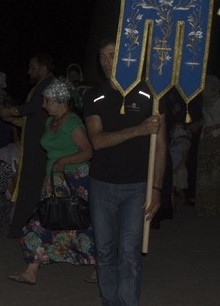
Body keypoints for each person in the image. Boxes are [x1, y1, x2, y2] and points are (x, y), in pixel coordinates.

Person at [82, 37, 167, 305]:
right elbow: (97, 140)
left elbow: (161, 147)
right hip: (102, 183)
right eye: (103, 57)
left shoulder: (152, 95)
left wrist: (156, 189)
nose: (107, 62)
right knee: (105, 250)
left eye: (112, 55)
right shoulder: (93, 96)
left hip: (137, 185)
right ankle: (110, 300)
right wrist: (139, 130)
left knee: (129, 252)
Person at [8, 78, 95, 285]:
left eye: (47, 100)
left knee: (80, 224)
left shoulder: (73, 122)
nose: (43, 105)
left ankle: (101, 266)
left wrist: (64, 160)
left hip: (74, 182)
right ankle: (31, 270)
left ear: (59, 100)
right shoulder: (50, 122)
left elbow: (87, 152)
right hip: (54, 183)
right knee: (41, 224)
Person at [1, 53, 55, 238]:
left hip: (41, 148)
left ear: (43, 67)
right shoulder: (42, 85)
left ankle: (23, 230)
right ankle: (22, 229)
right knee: (28, 187)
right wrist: (13, 118)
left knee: (31, 188)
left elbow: (33, 107)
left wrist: (11, 110)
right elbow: (31, 120)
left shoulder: (49, 84)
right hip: (33, 146)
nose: (29, 71)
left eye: (32, 67)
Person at [196, 74, 220, 216]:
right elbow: (206, 120)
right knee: (204, 174)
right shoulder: (205, 103)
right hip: (205, 140)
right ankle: (204, 206)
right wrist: (198, 125)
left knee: (215, 174)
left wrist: (215, 128)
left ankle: (215, 207)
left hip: (217, 140)